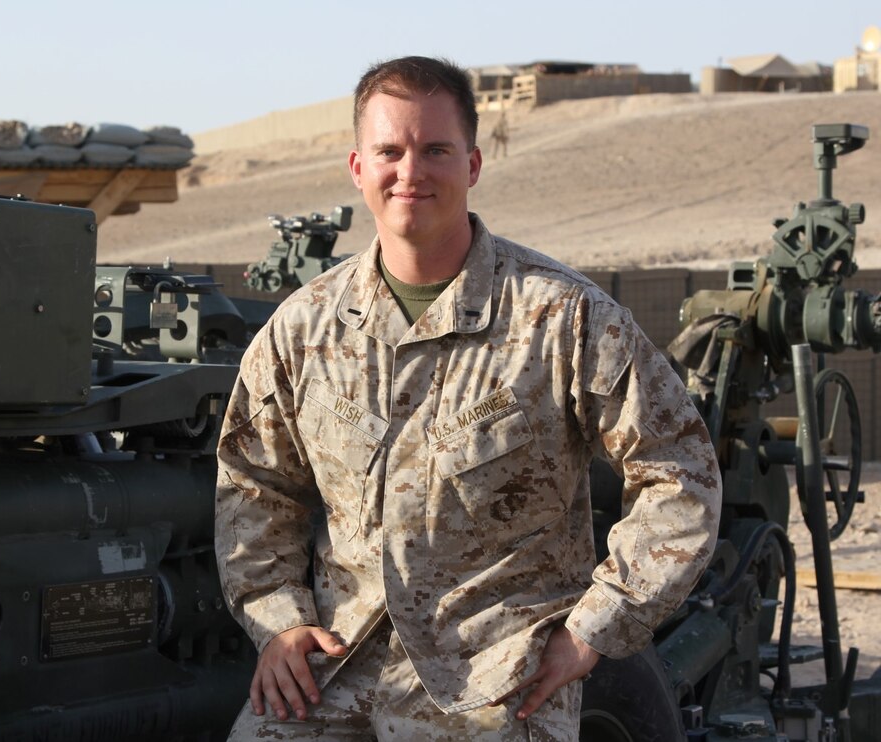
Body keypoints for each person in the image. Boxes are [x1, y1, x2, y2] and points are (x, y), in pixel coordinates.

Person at [215, 55, 721, 740]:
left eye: (436, 150)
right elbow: (254, 485)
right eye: (389, 151)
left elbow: (679, 473)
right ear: (358, 168)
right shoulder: (303, 330)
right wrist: (277, 621)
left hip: (495, 676)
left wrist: (596, 629)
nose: (411, 172)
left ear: (473, 164)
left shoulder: (562, 317)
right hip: (336, 665)